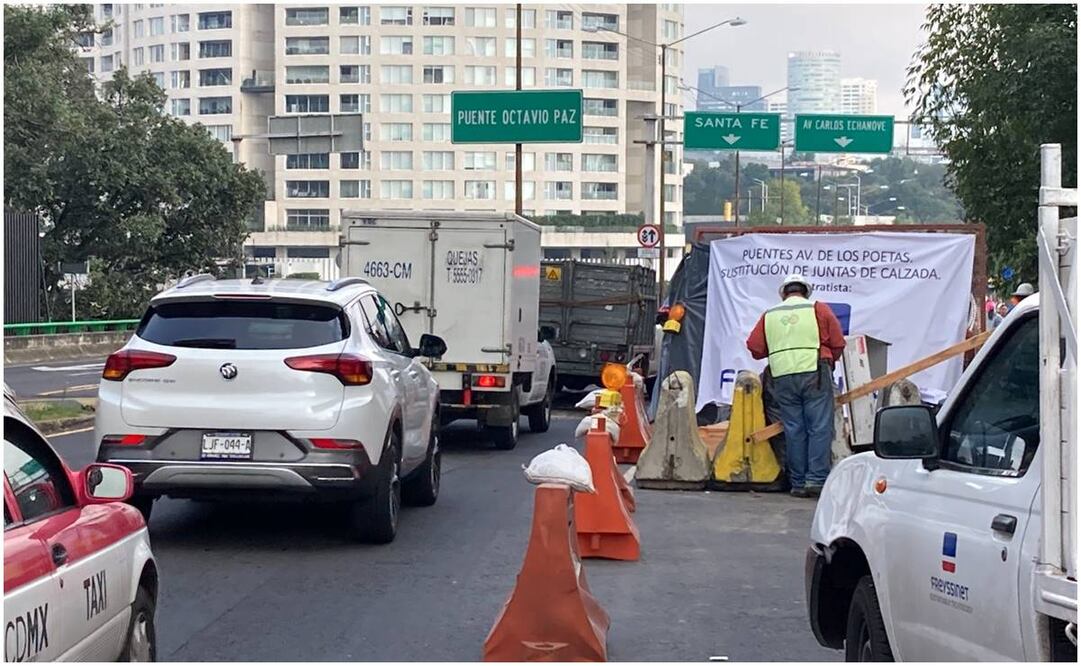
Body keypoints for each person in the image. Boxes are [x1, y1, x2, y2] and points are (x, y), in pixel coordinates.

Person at [746, 274, 845, 498]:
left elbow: (755, 347)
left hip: (782, 376)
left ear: (784, 293)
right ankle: (816, 480)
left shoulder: (770, 315)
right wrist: (830, 361)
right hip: (814, 372)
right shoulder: (818, 309)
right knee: (819, 426)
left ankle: (798, 482)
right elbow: (838, 342)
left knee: (794, 429)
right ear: (805, 291)